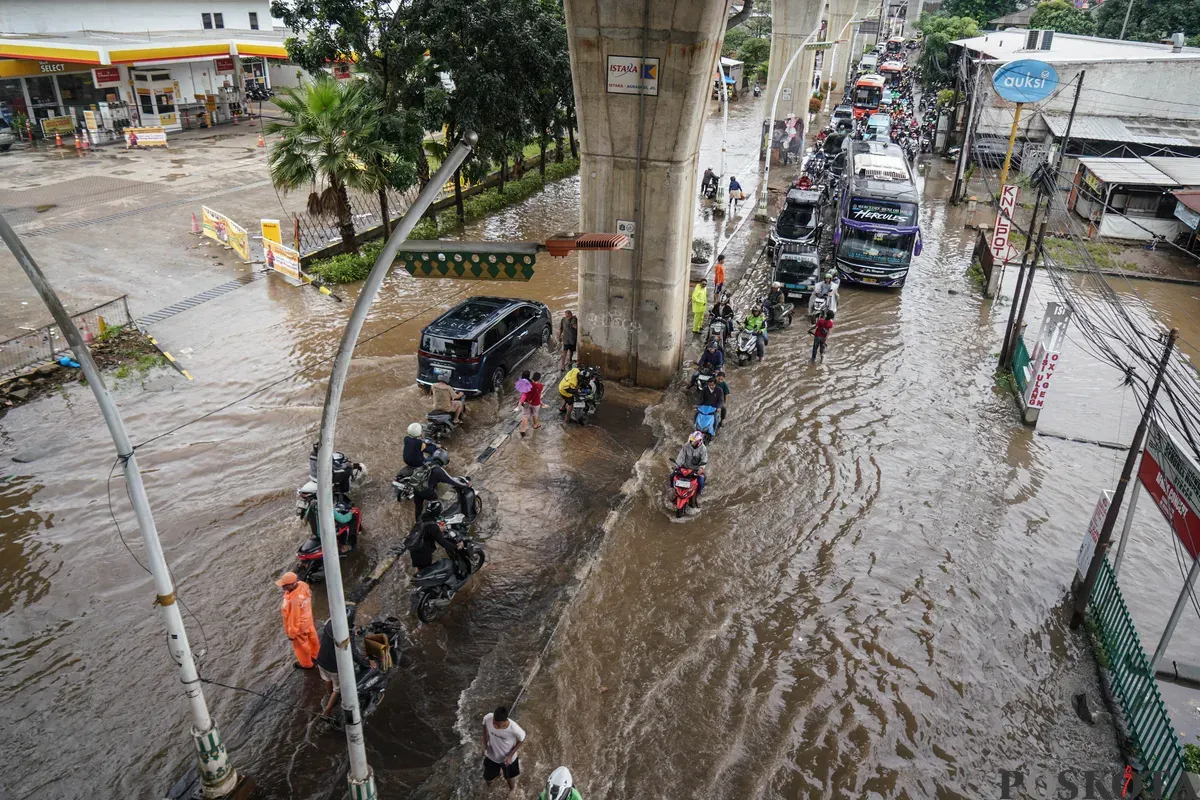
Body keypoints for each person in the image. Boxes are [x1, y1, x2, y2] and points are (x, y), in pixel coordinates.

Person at [315, 605, 374, 718]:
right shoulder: (345, 634)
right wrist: (366, 662)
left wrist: (353, 632)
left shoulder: (329, 624)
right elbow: (353, 652)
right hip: (334, 666)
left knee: (327, 680)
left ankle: (329, 694)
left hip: (321, 660)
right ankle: (327, 710)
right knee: (338, 689)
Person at [405, 501, 467, 574]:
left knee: (421, 569)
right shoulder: (433, 527)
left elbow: (427, 528)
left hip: (415, 548)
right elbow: (443, 543)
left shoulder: (423, 516)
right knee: (426, 571)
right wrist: (456, 546)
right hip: (423, 553)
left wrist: (437, 528)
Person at [276, 571, 320, 669]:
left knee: (301, 647)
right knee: (313, 639)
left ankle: (306, 664)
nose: (283, 587)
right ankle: (316, 655)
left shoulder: (294, 600)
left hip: (299, 628)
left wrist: (292, 634)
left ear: (293, 584)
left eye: (285, 585)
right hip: (308, 621)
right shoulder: (303, 586)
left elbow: (294, 618)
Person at [482, 706, 526, 793]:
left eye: (498, 724)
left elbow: (522, 739)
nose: (495, 725)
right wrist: (485, 744)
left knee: (509, 778)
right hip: (492, 756)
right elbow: (484, 726)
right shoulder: (488, 718)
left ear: (506, 721)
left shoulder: (514, 728)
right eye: (494, 722)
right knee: (488, 778)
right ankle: (489, 790)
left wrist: (510, 755)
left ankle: (512, 792)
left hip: (507, 759)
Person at [675, 431, 708, 505]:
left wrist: (701, 468)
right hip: (685, 468)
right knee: (672, 476)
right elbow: (681, 456)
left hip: (695, 470)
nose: (692, 442)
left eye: (694, 441)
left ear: (699, 441)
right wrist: (676, 465)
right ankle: (674, 491)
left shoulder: (703, 449)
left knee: (700, 481)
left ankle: (697, 496)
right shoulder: (686, 446)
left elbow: (704, 459)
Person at [518, 371, 544, 436]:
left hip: (527, 402)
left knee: (525, 415)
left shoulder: (527, 384)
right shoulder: (540, 386)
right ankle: (536, 425)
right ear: (539, 379)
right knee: (535, 414)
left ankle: (523, 430)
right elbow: (539, 394)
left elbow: (524, 394)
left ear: (532, 377)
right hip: (536, 403)